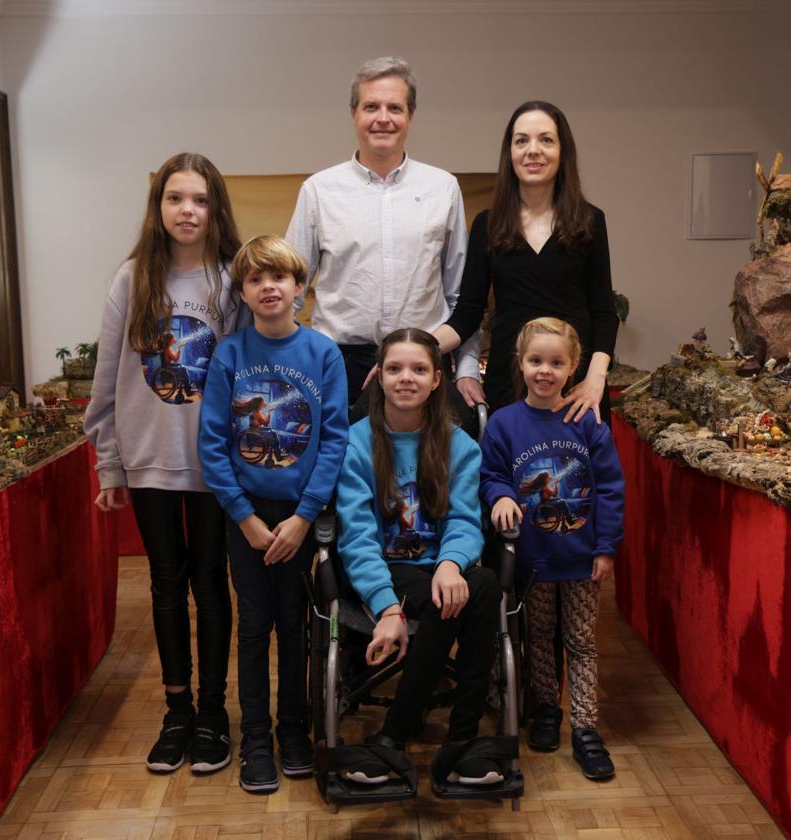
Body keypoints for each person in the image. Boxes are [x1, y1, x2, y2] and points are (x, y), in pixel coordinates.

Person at [84, 152, 246, 776]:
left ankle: (213, 712)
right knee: (165, 584)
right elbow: (106, 379)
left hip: (212, 464)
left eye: (200, 200)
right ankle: (175, 711)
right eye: (176, 199)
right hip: (149, 456)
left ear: (215, 209)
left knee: (210, 582)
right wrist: (109, 463)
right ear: (158, 209)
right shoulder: (132, 279)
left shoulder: (231, 279)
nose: (188, 211)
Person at [199, 234, 349, 794]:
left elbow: (333, 440)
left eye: (280, 278)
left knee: (296, 625)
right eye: (257, 279)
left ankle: (293, 731)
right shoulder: (230, 355)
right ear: (243, 291)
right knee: (254, 625)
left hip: (299, 518)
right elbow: (213, 444)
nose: (269, 287)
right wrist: (244, 517)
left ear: (299, 288)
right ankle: (256, 737)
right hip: (248, 519)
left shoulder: (323, 354)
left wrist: (305, 516)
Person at [335, 328, 503, 787]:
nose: (405, 378)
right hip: (381, 570)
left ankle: (404, 740)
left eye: (418, 369)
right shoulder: (355, 444)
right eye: (394, 368)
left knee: (482, 582)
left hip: (439, 569)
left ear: (436, 381)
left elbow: (466, 522)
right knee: (462, 595)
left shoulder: (459, 445)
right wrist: (387, 606)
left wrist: (450, 564)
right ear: (378, 376)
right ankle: (452, 743)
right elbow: (357, 537)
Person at [285, 56, 481, 403]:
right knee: (343, 458)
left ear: (411, 116)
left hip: (423, 362)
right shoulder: (318, 191)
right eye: (371, 106)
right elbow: (290, 292)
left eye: (395, 107)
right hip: (339, 366)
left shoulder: (443, 188)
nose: (383, 118)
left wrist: (466, 370)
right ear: (353, 114)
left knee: (425, 460)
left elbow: (460, 298)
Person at [479, 317, 624, 779]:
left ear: (573, 366)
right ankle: (546, 710)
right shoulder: (503, 424)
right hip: (532, 560)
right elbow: (491, 475)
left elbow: (610, 488)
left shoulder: (588, 423)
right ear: (520, 363)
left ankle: (585, 728)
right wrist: (500, 495)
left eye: (556, 362)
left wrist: (605, 547)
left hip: (581, 558)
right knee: (538, 636)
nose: (545, 370)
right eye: (536, 360)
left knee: (581, 643)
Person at [432, 101, 619, 423]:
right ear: (510, 154)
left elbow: (604, 312)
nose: (533, 150)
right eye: (522, 141)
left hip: (575, 389)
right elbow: (467, 316)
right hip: (509, 385)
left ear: (563, 152)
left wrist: (595, 380)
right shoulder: (487, 224)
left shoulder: (590, 221)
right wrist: (411, 350)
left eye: (546, 139)